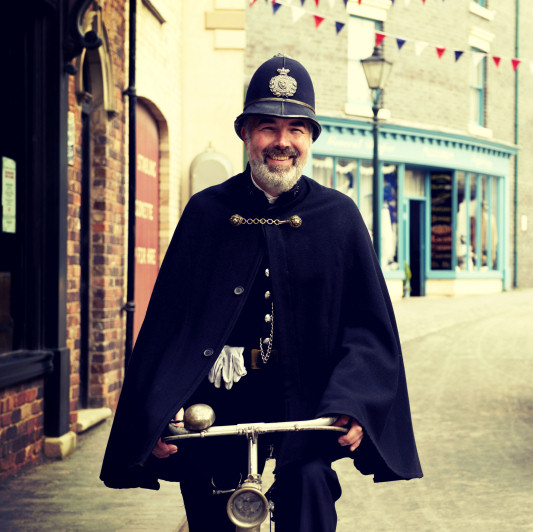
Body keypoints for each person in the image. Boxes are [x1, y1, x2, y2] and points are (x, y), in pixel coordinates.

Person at [100, 54, 422, 531]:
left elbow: (369, 331)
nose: (282, 142)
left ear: (310, 137)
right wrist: (156, 409)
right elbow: (170, 324)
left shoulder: (339, 217)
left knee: (309, 488)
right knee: (211, 500)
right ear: (246, 133)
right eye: (268, 127)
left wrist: (354, 404)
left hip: (307, 402)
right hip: (218, 403)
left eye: (296, 129)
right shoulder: (207, 213)